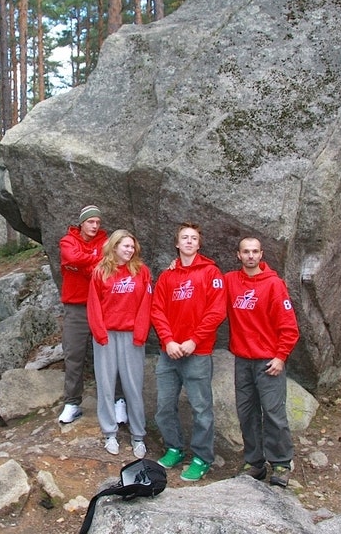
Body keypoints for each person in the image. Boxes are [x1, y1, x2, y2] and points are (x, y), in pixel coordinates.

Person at [151, 221, 226, 481]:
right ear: (177, 243)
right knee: (164, 406)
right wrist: (168, 340)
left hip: (198, 352)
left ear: (199, 243)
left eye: (194, 237)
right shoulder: (167, 276)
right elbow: (156, 310)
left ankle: (202, 457)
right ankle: (174, 447)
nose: (189, 241)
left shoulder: (211, 273)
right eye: (184, 237)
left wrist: (194, 340)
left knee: (201, 408)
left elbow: (216, 311)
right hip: (169, 353)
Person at [225, 237, 299, 487]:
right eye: (246, 252)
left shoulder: (274, 285)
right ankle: (254, 462)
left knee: (274, 413)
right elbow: (205, 285)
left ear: (261, 254)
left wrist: (280, 357)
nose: (250, 256)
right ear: (238, 255)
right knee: (246, 413)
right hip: (242, 360)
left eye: (255, 252)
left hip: (269, 361)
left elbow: (289, 327)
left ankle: (281, 463)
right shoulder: (230, 282)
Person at [87, 230, 152, 459]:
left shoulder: (141, 272)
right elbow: (93, 305)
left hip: (132, 336)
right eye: (125, 246)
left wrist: (140, 334)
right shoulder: (100, 272)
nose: (130, 250)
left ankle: (138, 436)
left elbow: (146, 304)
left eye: (132, 247)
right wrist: (100, 334)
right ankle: (110, 433)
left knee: (133, 386)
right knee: (105, 385)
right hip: (106, 336)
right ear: (114, 247)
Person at [58, 205, 108, 424]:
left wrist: (82, 263)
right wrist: (93, 259)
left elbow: (107, 264)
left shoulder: (106, 242)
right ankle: (72, 403)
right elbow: (72, 257)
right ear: (82, 222)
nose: (95, 226)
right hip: (76, 308)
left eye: (97, 222)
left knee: (108, 355)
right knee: (73, 354)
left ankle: (116, 401)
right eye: (90, 222)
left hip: (103, 307)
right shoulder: (67, 241)